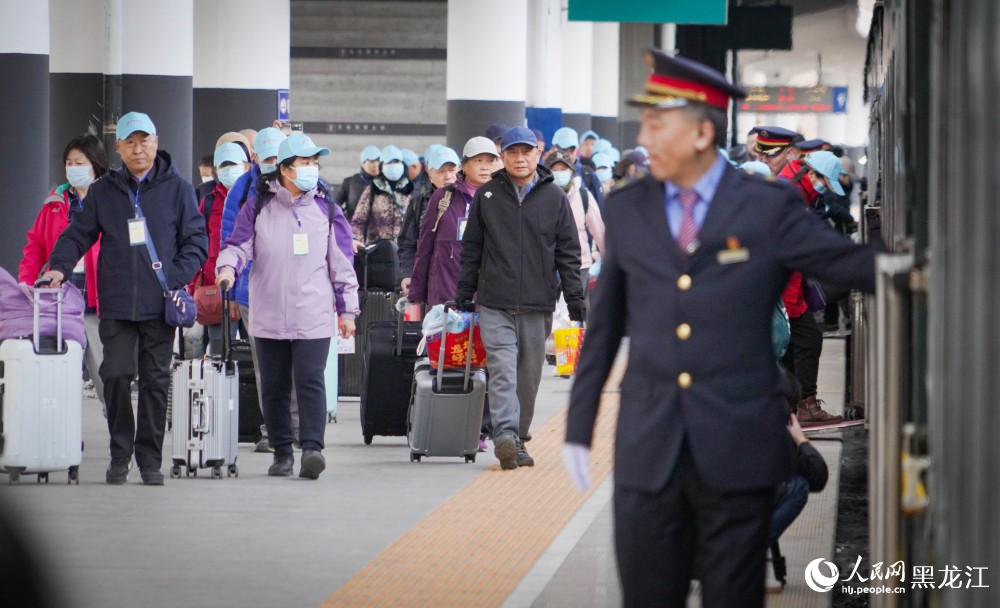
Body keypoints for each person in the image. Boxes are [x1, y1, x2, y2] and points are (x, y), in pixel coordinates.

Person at [562, 50, 879, 608]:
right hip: (648, 449)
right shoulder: (630, 209)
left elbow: (851, 265)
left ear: (702, 132)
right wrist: (578, 427)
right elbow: (606, 328)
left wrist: (930, 265)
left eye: (660, 126)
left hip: (739, 449)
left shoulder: (764, 207)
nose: (647, 138)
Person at [43, 111, 208, 486]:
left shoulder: (179, 188)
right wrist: (59, 267)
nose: (138, 149)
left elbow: (197, 242)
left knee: (154, 380)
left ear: (156, 141)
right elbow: (77, 233)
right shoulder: (104, 192)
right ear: (118, 147)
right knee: (115, 375)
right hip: (116, 302)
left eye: (144, 140)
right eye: (130, 142)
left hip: (159, 305)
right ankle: (121, 453)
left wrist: (175, 277)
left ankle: (149, 459)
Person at [215, 133, 360, 480]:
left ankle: (312, 449)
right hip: (268, 312)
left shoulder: (326, 208)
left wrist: (348, 310)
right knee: (275, 385)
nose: (312, 169)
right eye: (304, 163)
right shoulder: (258, 205)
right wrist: (227, 268)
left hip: (313, 313)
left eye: (315, 163)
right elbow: (238, 244)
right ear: (284, 169)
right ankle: (282, 452)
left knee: (310, 380)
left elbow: (342, 262)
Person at [456, 127, 584, 470]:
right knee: (502, 371)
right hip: (495, 301)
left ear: (537, 154)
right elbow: (472, 250)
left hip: (537, 303)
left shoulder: (554, 197)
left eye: (526, 151)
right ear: (504, 156)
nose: (519, 158)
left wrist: (575, 301)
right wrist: (465, 293)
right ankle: (505, 435)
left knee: (528, 377)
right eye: (512, 152)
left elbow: (569, 253)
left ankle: (519, 438)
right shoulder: (487, 196)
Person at [758, 134, 844, 426]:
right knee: (802, 341)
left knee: (799, 342)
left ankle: (795, 404)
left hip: (790, 288)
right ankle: (799, 405)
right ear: (813, 174)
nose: (824, 189)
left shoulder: (798, 189)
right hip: (783, 289)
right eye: (824, 183)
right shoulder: (791, 193)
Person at [19, 133, 110, 410]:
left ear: (95, 164)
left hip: (99, 301)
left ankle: (120, 438)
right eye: (69, 162)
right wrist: (26, 281)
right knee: (56, 372)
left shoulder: (111, 199)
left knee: (107, 375)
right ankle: (60, 433)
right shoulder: (55, 202)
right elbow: (35, 245)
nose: (72, 168)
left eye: (79, 162)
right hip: (58, 300)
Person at [409, 137, 500, 307]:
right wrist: (416, 295)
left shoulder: (502, 198)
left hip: (490, 298)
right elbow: (425, 247)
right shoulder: (443, 197)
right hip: (445, 295)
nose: (485, 166)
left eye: (490, 161)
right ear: (464, 166)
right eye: (478, 160)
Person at [188, 142, 249, 351]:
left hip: (252, 288)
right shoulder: (210, 201)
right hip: (219, 289)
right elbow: (198, 242)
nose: (228, 169)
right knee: (219, 353)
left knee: (259, 355)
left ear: (246, 166)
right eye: (223, 165)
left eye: (233, 164)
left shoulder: (258, 197)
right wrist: (193, 284)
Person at [398, 146, 460, 293]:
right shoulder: (418, 203)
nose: (448, 176)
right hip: (430, 282)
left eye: (452, 170)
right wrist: (408, 274)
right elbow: (407, 243)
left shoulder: (473, 199)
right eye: (441, 171)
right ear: (429, 174)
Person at [545, 149, 606, 294]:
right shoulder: (540, 196)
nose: (559, 173)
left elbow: (600, 231)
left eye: (563, 169)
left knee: (572, 312)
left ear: (571, 171)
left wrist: (608, 260)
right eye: (554, 170)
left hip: (578, 266)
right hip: (546, 266)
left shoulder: (583, 196)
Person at [351, 144, 413, 248]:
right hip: (377, 252)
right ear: (382, 166)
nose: (393, 166)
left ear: (402, 164)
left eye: (396, 162)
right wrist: (358, 243)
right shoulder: (373, 189)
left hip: (405, 253)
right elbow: (358, 221)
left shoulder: (410, 189)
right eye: (389, 162)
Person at [547, 127, 606, 210]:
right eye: (562, 150)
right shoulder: (543, 174)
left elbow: (599, 209)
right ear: (553, 149)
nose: (566, 154)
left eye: (571, 150)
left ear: (577, 149)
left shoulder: (587, 174)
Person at [334, 145, 381, 220]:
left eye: (378, 161)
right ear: (363, 163)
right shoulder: (349, 182)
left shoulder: (386, 183)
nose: (376, 165)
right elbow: (335, 203)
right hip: (354, 227)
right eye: (371, 161)